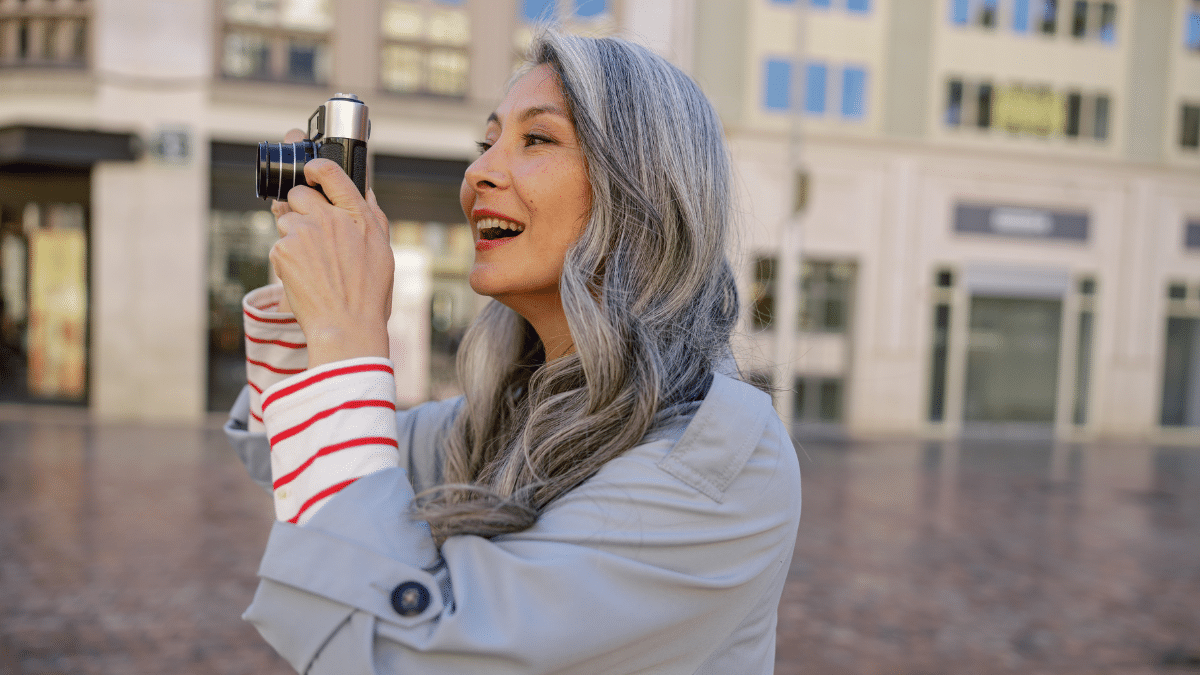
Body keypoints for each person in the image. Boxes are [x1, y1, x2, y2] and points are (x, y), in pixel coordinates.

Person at [225, 29, 801, 674]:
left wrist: (347, 335)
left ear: (642, 193)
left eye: (537, 139)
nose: (478, 173)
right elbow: (283, 450)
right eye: (487, 142)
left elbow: (399, 653)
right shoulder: (517, 409)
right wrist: (322, 290)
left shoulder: (715, 462)